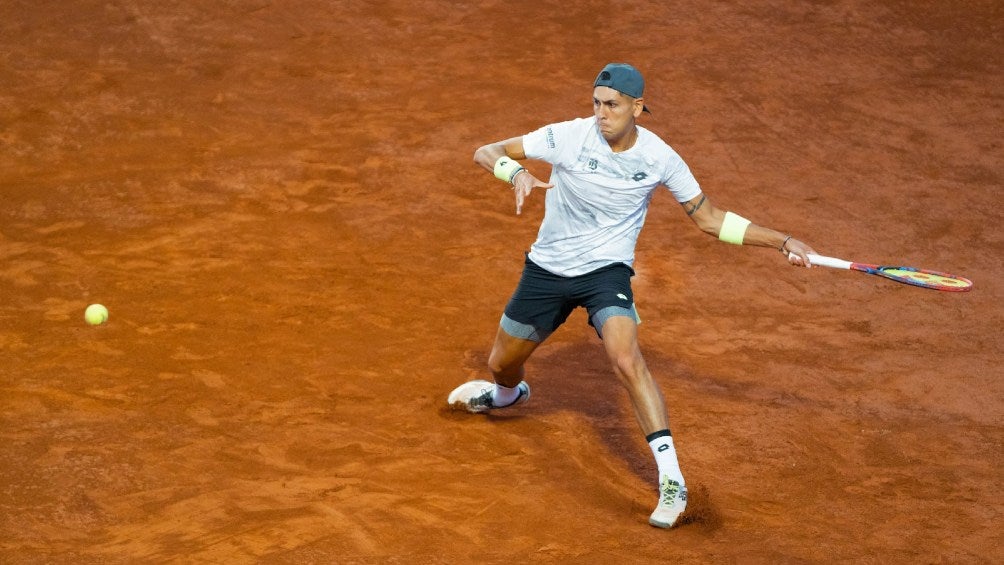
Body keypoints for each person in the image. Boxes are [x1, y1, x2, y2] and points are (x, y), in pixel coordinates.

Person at [447, 63, 816, 528]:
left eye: (613, 105)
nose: (602, 114)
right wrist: (513, 171)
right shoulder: (567, 136)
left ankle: (671, 480)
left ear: (638, 108)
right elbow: (488, 150)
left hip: (607, 271)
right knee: (501, 363)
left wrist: (781, 241)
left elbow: (709, 218)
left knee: (626, 357)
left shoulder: (660, 157)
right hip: (548, 269)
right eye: (597, 104)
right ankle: (507, 395)